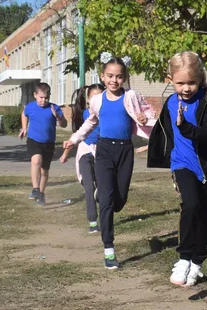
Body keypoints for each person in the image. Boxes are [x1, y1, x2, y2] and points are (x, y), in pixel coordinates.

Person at [63, 55, 156, 270]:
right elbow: (90, 122)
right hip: (103, 150)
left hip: (125, 150)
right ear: (103, 77)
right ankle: (109, 249)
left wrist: (145, 118)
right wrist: (74, 139)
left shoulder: (131, 96)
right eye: (110, 76)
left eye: (119, 77)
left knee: (119, 201)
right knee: (106, 201)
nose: (114, 80)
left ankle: (104, 195)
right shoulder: (97, 100)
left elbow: (148, 112)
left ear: (124, 78)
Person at [147, 51, 207, 286]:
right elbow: (164, 130)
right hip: (182, 164)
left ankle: (197, 262)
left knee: (203, 214)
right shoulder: (171, 103)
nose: (186, 88)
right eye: (180, 83)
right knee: (190, 205)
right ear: (169, 79)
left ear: (200, 79)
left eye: (191, 82)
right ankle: (183, 258)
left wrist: (186, 128)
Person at [60, 84, 104, 233]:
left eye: (100, 97)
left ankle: (101, 200)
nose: (97, 100)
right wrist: (65, 154)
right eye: (93, 97)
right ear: (88, 99)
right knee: (89, 187)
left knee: (101, 188)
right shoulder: (86, 114)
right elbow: (77, 135)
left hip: (101, 153)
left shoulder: (107, 114)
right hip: (85, 152)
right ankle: (93, 221)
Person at [19, 82, 67, 205]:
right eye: (41, 97)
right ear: (35, 95)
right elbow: (24, 114)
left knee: (44, 171)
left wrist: (58, 117)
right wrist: (24, 127)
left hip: (49, 143)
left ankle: (41, 193)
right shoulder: (30, 107)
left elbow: (64, 124)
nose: (44, 100)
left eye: (46, 98)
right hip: (34, 140)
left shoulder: (54, 108)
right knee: (36, 161)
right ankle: (35, 189)